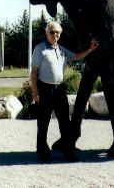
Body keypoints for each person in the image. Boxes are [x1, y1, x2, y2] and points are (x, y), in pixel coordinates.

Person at [31, 21, 99, 162]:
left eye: (57, 32)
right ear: (46, 33)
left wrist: (90, 50)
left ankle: (69, 152)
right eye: (52, 32)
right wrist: (35, 92)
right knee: (43, 122)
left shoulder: (61, 50)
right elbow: (34, 72)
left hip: (59, 90)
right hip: (45, 90)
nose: (54, 34)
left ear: (60, 34)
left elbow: (76, 57)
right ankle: (43, 152)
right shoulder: (39, 49)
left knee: (64, 123)